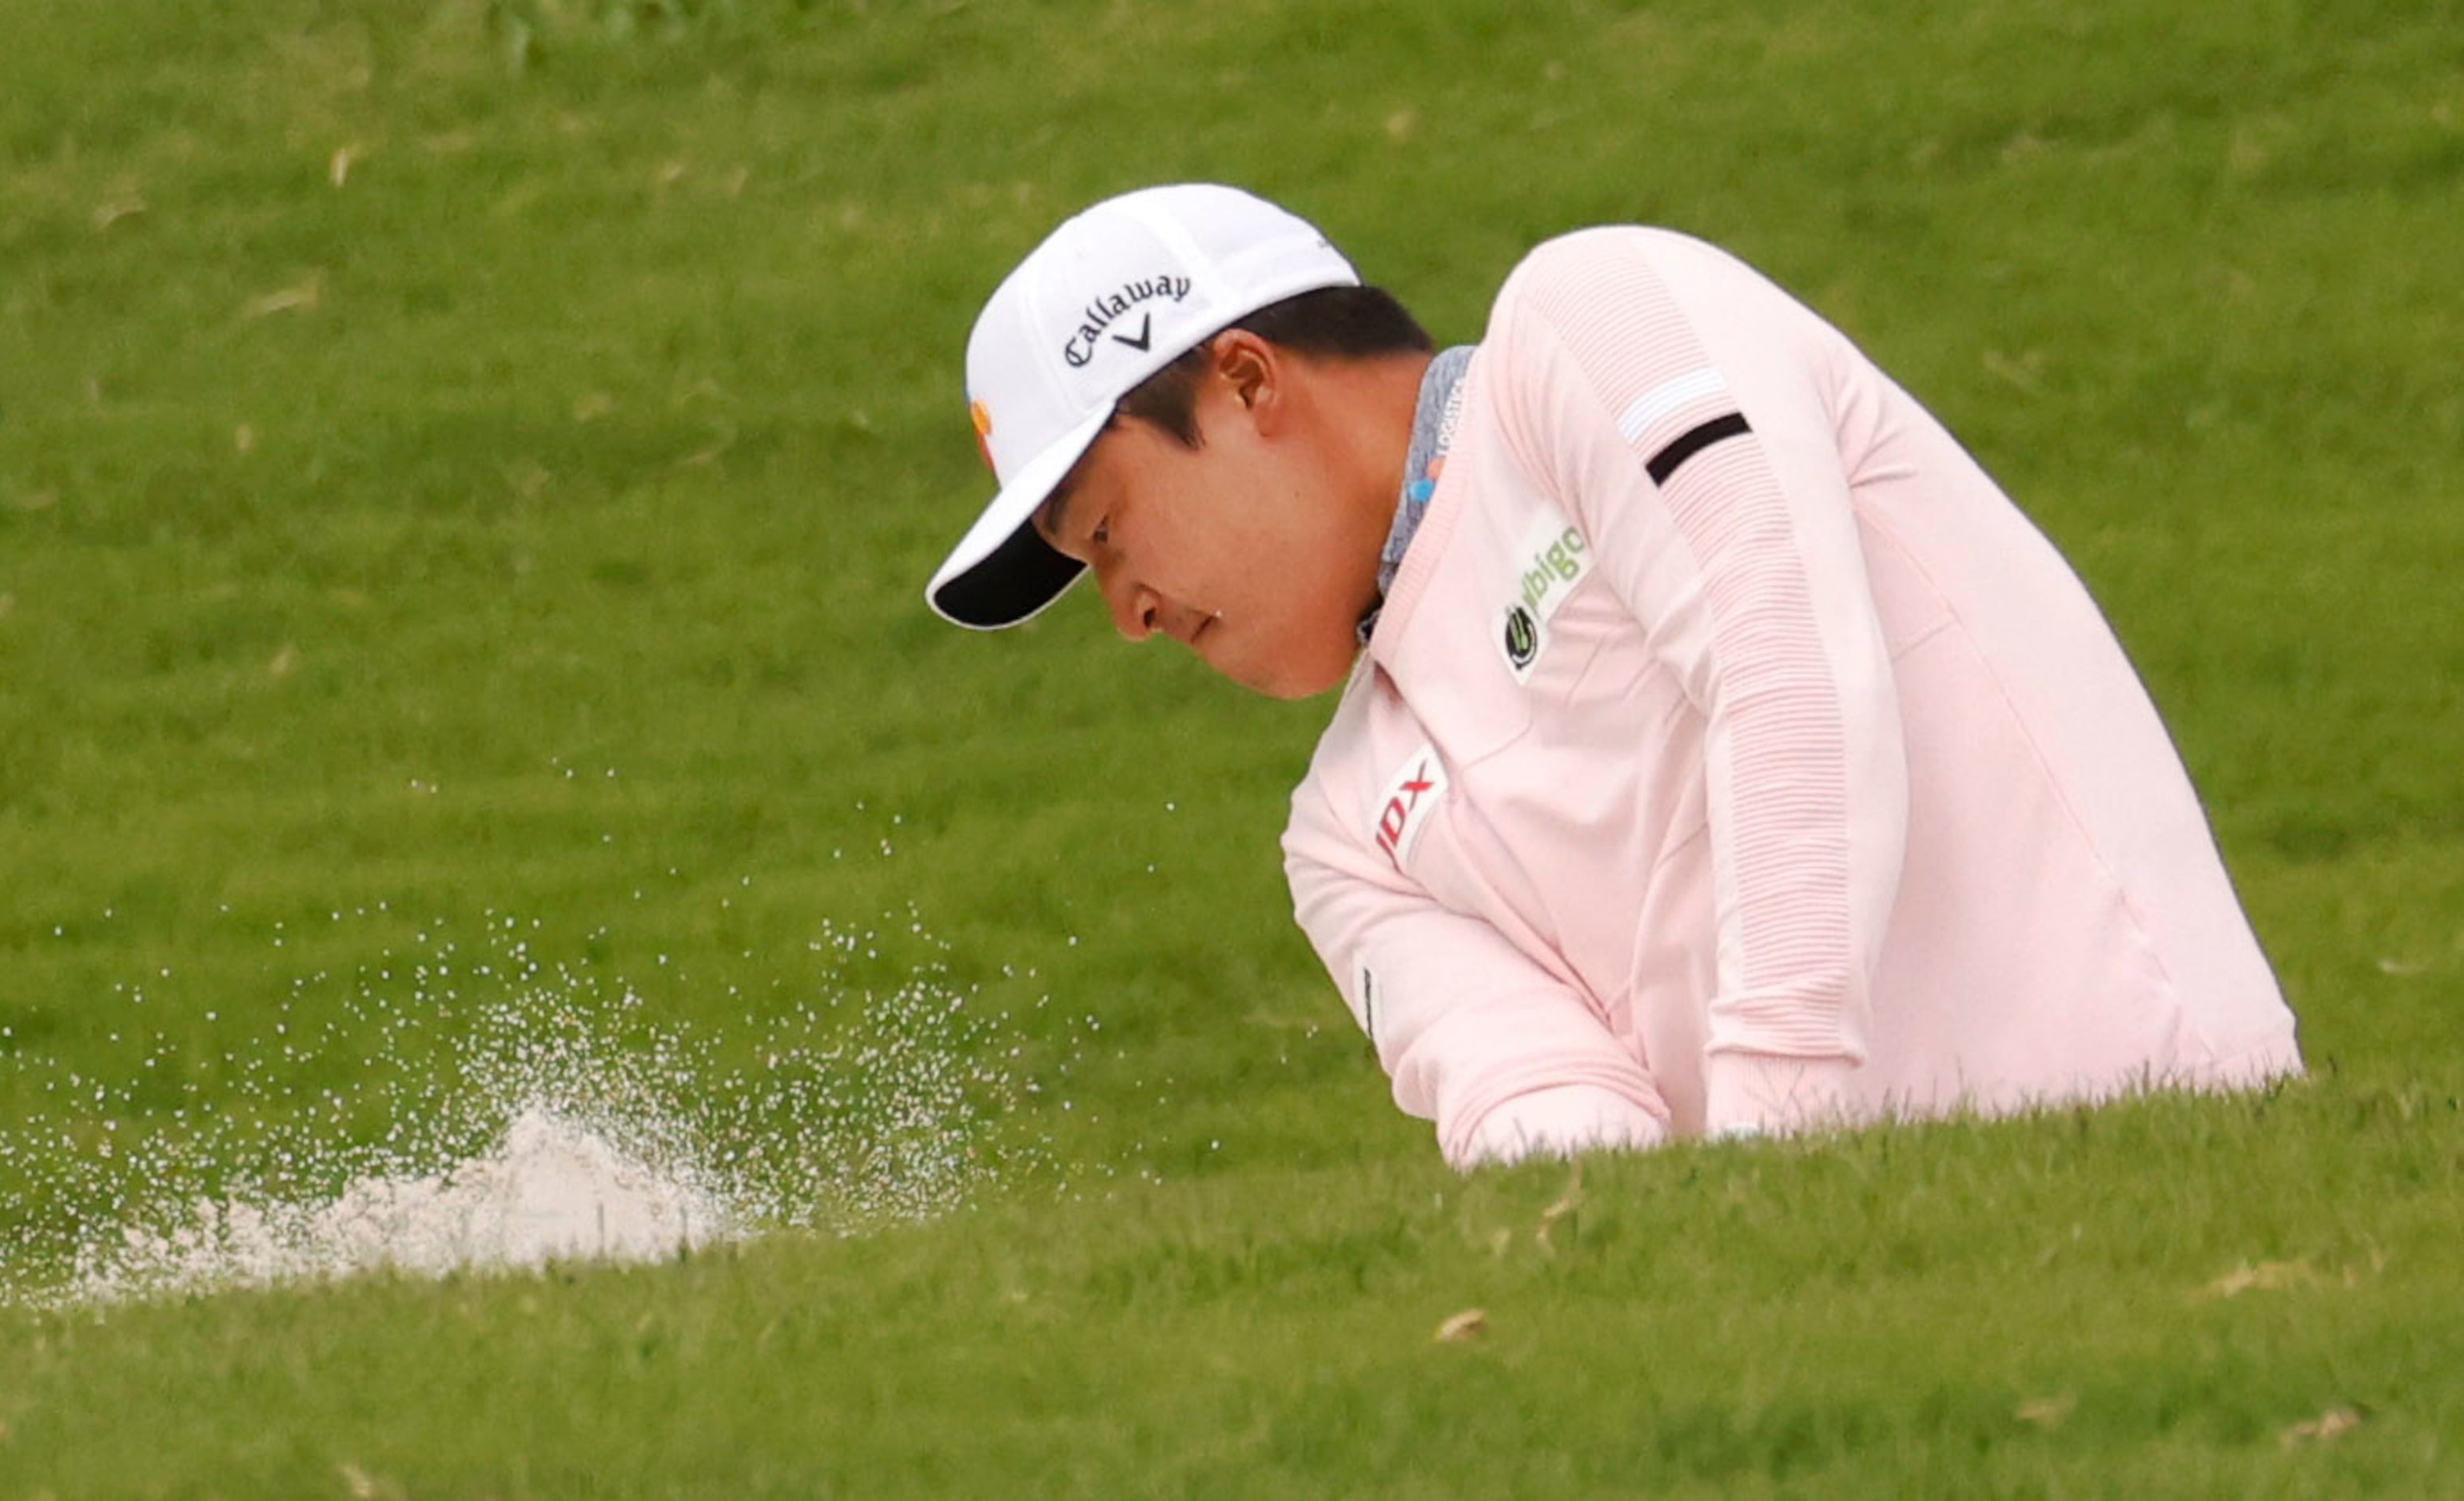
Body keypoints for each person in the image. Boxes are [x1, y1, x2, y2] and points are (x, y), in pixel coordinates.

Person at [925, 183, 2302, 1167]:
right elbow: (1546, 1122)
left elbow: (1790, 669)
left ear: (1244, 381)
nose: (1128, 614)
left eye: (1108, 532)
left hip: (2181, 1164)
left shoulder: (1590, 323)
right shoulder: (1346, 837)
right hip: (1861, 1319)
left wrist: (1776, 1160)